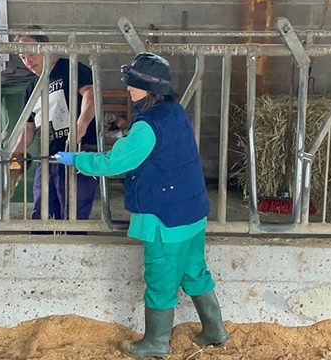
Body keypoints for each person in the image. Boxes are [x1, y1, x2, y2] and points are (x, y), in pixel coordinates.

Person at [54, 53, 227, 358]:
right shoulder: (174, 111)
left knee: (160, 280)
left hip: (165, 218)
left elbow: (115, 162)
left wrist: (76, 159)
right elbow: (159, 151)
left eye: (133, 85)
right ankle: (215, 330)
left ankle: (156, 344)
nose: (128, 90)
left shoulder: (148, 125)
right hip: (192, 211)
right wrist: (124, 134)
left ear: (148, 87)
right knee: (194, 271)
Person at [11, 25, 98, 220]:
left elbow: (90, 94)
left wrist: (80, 125)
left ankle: (73, 248)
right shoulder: (31, 87)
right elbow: (28, 129)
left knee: (73, 214)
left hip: (77, 155)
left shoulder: (70, 68)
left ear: (46, 47)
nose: (27, 61)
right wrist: (13, 158)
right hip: (47, 158)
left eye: (31, 54)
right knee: (43, 214)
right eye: (22, 57)